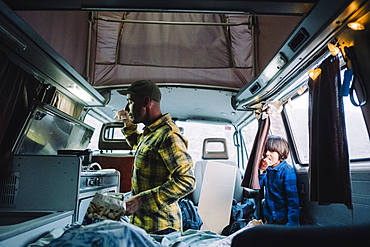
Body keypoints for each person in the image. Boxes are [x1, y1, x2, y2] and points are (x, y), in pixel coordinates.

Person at [115, 79, 196, 234]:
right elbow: (140, 147)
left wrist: (140, 201)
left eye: (130, 102)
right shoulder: (152, 133)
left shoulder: (168, 135)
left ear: (146, 102)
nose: (126, 108)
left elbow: (187, 181)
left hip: (161, 227)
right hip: (143, 224)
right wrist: (128, 124)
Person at [258, 135, 300, 226]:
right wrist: (261, 170)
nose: (267, 154)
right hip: (269, 217)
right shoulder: (266, 170)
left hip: (282, 218)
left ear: (280, 153)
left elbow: (293, 201)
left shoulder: (287, 170)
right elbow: (257, 186)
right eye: (265, 151)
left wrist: (291, 224)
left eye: (272, 151)